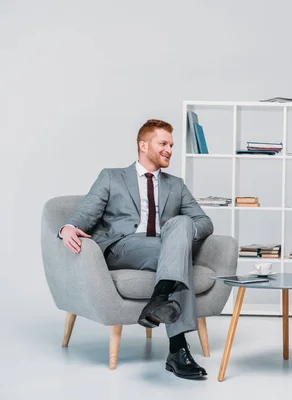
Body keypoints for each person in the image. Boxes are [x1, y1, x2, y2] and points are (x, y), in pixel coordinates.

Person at [59, 119, 213, 380]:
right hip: (123, 247)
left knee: (182, 229)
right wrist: (68, 228)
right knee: (179, 255)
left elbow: (204, 221)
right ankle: (178, 349)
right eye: (163, 143)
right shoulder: (111, 176)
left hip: (164, 247)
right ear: (143, 145)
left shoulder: (176, 185)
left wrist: (182, 232)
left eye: (171, 145)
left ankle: (161, 302)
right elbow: (86, 213)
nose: (169, 150)